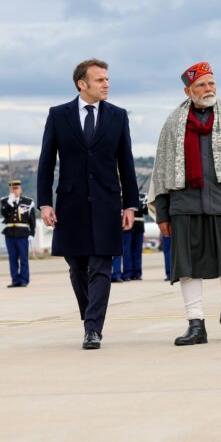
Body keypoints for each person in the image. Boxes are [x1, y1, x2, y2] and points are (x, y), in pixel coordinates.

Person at [149, 62, 221, 346]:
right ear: (188, 90)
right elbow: (162, 171)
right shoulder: (172, 124)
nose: (208, 89)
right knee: (187, 267)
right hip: (184, 206)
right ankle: (195, 323)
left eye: (212, 83)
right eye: (201, 85)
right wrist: (163, 214)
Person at [37, 58, 139, 349]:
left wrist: (130, 204)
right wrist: (44, 202)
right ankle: (89, 317)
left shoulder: (118, 116)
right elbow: (46, 162)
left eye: (107, 79)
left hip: (107, 201)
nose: (106, 84)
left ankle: (93, 328)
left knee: (101, 265)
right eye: (100, 80)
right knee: (77, 266)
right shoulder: (58, 115)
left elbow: (126, 163)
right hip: (71, 203)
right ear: (82, 84)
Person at [1, 180, 36, 288]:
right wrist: (9, 204)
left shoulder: (28, 201)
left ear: (20, 189)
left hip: (22, 233)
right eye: (12, 189)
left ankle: (24, 280)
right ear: (10, 189)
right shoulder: (5, 201)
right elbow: (4, 214)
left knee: (23, 258)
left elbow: (32, 220)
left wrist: (32, 233)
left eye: (16, 188)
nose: (14, 190)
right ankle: (15, 280)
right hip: (10, 232)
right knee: (12, 258)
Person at [122, 192, 149, 281]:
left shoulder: (142, 196)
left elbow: (145, 211)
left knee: (136, 251)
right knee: (127, 251)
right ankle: (128, 273)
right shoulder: (123, 194)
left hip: (138, 225)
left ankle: (136, 273)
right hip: (129, 224)